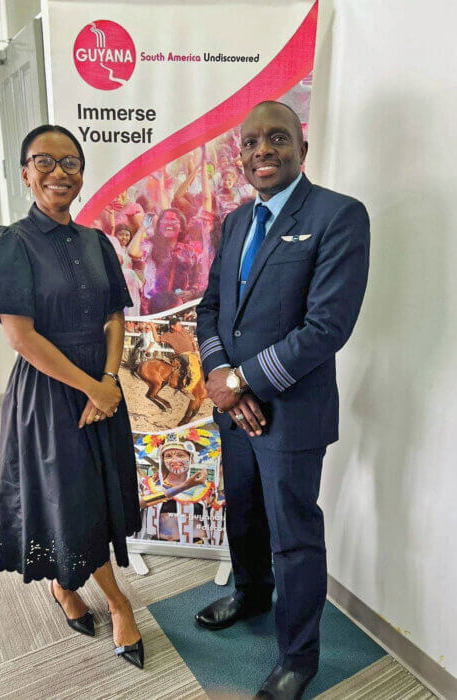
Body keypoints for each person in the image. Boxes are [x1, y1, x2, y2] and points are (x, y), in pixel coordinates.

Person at [196, 101, 370, 699]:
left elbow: (326, 327)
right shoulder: (235, 222)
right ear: (239, 155)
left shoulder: (338, 215)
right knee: (242, 513)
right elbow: (211, 311)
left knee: (293, 537)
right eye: (250, 142)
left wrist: (242, 382)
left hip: (292, 413)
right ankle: (249, 595)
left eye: (276, 138)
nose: (261, 150)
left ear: (302, 145)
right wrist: (224, 376)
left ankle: (299, 656)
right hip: (235, 406)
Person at [0, 124, 145, 670]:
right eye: (45, 162)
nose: (59, 173)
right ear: (25, 173)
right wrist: (92, 386)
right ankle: (118, 602)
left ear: (82, 174)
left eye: (71, 162)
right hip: (50, 392)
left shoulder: (96, 243)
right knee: (69, 496)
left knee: (98, 493)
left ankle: (65, 586)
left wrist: (109, 382)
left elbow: (115, 315)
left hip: (102, 387)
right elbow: (21, 337)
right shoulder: (11, 242)